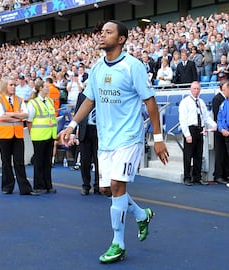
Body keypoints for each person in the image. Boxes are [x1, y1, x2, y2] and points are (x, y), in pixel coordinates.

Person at [58, 20, 169, 264]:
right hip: (106, 139)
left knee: (118, 185)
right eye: (101, 31)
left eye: (108, 32)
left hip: (128, 137)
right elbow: (89, 99)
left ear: (121, 39)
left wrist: (158, 139)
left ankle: (118, 243)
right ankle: (141, 214)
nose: (102, 35)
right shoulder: (97, 68)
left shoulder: (133, 66)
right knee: (107, 190)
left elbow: (150, 102)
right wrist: (72, 124)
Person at [0, 76, 37, 195]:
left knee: (19, 162)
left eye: (14, 85)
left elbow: (26, 115)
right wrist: (17, 115)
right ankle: (7, 187)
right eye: (11, 85)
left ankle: (25, 188)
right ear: (5, 85)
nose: (13, 87)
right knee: (6, 162)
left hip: (17, 135)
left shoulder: (19, 99)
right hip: (3, 135)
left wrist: (9, 114)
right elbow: (0, 117)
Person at [179, 81, 217, 186]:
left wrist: (213, 124)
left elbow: (206, 117)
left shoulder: (201, 102)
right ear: (190, 90)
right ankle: (187, 177)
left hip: (200, 129)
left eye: (198, 89)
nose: (196, 91)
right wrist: (187, 134)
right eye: (194, 89)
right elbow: (183, 120)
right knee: (188, 155)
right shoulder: (185, 102)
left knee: (198, 155)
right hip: (190, 129)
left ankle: (197, 177)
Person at [26, 79, 57, 194]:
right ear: (40, 88)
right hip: (38, 136)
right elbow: (29, 121)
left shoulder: (50, 101)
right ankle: (39, 185)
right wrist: (31, 133)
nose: (48, 89)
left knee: (47, 161)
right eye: (46, 87)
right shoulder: (33, 103)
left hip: (50, 134)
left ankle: (48, 184)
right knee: (39, 162)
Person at [74, 90, 100, 196]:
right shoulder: (82, 95)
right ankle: (86, 185)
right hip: (85, 130)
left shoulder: (102, 93)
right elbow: (77, 113)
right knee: (85, 160)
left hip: (99, 130)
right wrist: (73, 132)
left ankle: (98, 185)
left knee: (99, 160)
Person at [212, 81, 229, 184]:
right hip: (220, 130)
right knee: (220, 153)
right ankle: (218, 175)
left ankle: (226, 174)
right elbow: (217, 116)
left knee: (227, 153)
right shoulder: (217, 99)